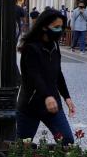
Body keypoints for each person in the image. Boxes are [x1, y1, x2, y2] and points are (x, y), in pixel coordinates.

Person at [15, 9, 77, 143]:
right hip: (30, 105)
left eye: (61, 27)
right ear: (44, 27)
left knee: (67, 140)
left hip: (53, 104)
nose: (60, 30)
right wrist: (47, 96)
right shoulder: (30, 48)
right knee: (22, 147)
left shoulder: (55, 46)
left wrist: (67, 97)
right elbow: (34, 76)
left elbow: (58, 73)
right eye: (56, 27)